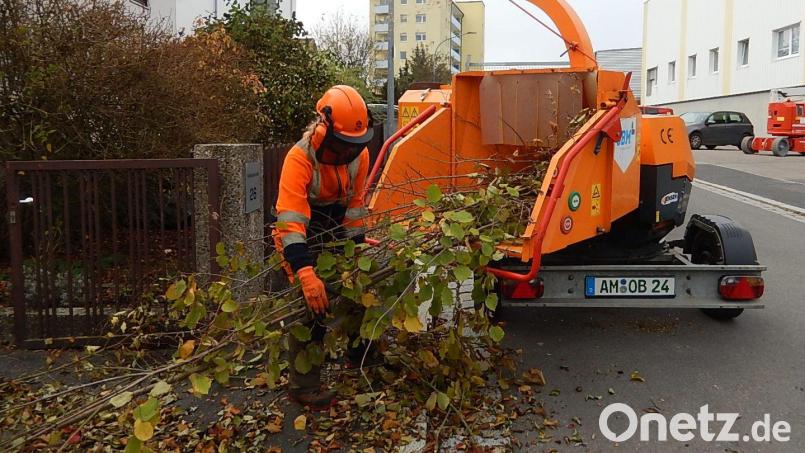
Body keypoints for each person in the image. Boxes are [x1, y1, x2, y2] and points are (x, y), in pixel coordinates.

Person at [272, 85, 375, 409]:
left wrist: (356, 254)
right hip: (299, 237)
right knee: (311, 308)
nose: (347, 153)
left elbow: (356, 211)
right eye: (342, 145)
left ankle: (362, 356)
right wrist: (305, 272)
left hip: (334, 231)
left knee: (361, 291)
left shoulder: (359, 157)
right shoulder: (299, 158)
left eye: (352, 146)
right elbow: (290, 223)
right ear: (323, 128)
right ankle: (303, 386)